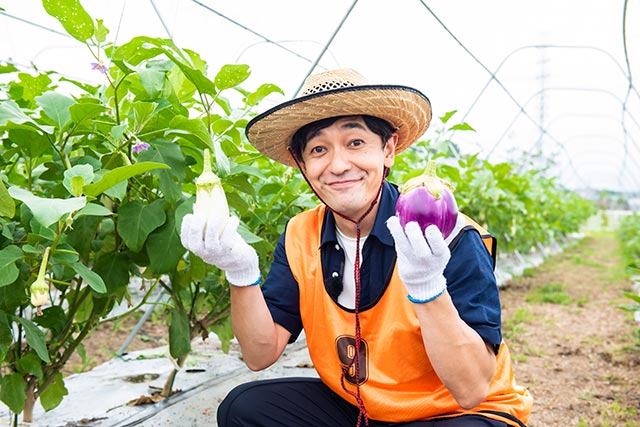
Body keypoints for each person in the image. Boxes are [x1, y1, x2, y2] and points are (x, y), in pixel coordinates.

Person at [180, 68, 533, 427]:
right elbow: (260, 353)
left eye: (355, 143)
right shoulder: (302, 233)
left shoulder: (447, 234)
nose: (337, 165)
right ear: (302, 164)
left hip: (454, 413)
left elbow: (471, 388)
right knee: (245, 407)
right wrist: (240, 273)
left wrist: (428, 286)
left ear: (388, 149)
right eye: (318, 149)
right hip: (362, 410)